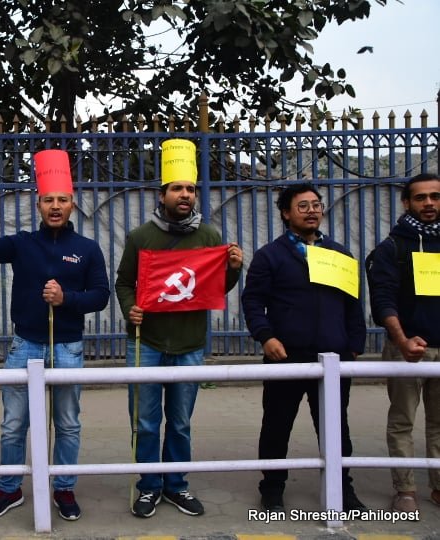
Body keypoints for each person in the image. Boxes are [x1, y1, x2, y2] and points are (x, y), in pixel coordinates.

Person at [0, 149, 110, 521]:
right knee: (13, 425)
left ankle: (63, 487)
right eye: (49, 200)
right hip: (25, 346)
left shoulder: (87, 250)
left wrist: (66, 299)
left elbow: (101, 296)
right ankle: (9, 488)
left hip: (68, 348)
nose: (56, 206)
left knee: (67, 424)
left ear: (72, 205)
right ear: (39, 205)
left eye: (62, 200)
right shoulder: (22, 244)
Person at [115, 139, 243, 518]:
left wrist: (234, 269)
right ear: (163, 195)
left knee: (181, 423)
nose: (185, 194)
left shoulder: (210, 237)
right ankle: (148, 486)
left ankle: (176, 485)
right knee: (145, 422)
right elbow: (123, 282)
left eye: (190, 188)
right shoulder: (141, 237)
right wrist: (130, 308)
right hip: (146, 343)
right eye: (177, 188)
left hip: (189, 344)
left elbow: (215, 288)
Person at [242, 182, 368, 513]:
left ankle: (342, 488)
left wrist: (354, 345)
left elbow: (353, 303)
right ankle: (272, 489)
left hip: (334, 358)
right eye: (303, 206)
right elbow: (252, 301)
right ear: (286, 213)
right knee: (277, 425)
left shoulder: (339, 254)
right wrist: (266, 337)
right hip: (286, 357)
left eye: (316, 205)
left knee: (335, 428)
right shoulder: (270, 256)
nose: (312, 211)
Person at [367, 172, 440, 513]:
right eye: (421, 197)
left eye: (435, 196)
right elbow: (382, 300)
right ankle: (406, 489)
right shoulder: (391, 248)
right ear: (407, 202)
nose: (429, 203)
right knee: (402, 422)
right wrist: (402, 340)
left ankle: (438, 486)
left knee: (439, 424)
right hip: (406, 350)